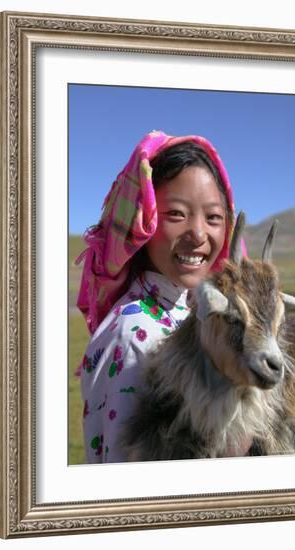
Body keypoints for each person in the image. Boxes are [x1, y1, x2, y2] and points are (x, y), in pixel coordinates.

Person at [75, 130, 236, 463]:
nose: (198, 233)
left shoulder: (189, 314)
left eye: (214, 217)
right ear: (142, 221)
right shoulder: (137, 334)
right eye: (176, 214)